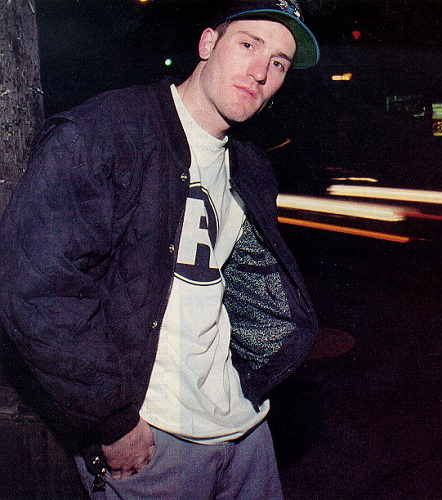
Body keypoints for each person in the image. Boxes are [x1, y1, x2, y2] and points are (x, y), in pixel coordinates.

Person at [0, 1, 319, 498]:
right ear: (208, 43)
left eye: (278, 63)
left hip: (246, 428)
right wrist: (112, 421)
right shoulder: (106, 133)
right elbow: (35, 288)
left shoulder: (250, 167)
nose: (261, 72)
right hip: (153, 441)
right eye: (248, 44)